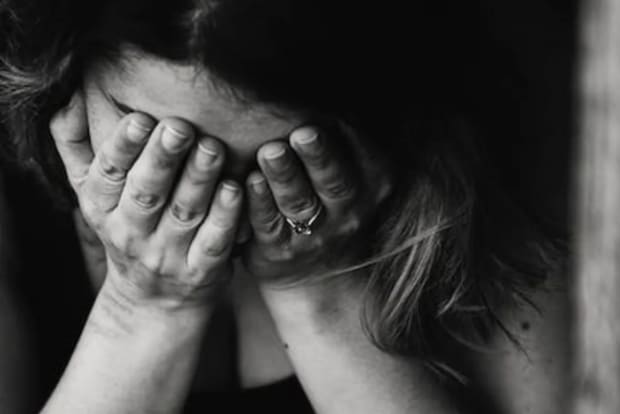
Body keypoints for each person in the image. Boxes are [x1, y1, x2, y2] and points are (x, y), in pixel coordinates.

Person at [0, 0, 570, 412]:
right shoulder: (12, 213)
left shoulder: (484, 205)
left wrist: (318, 289)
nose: (209, 198)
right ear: (66, 68)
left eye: (278, 162)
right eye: (152, 138)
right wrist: (141, 308)